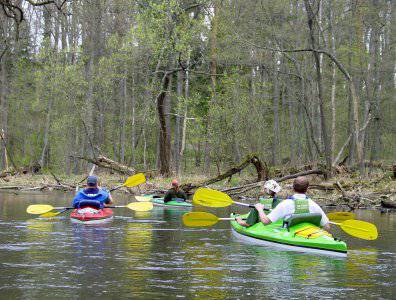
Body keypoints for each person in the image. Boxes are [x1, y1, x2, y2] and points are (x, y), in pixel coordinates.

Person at [238, 176, 330, 230]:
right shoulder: (314, 205)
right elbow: (327, 227)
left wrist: (260, 209)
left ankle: (246, 223)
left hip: (292, 234)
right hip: (308, 233)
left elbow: (265, 222)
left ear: (293, 188)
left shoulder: (285, 204)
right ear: (307, 189)